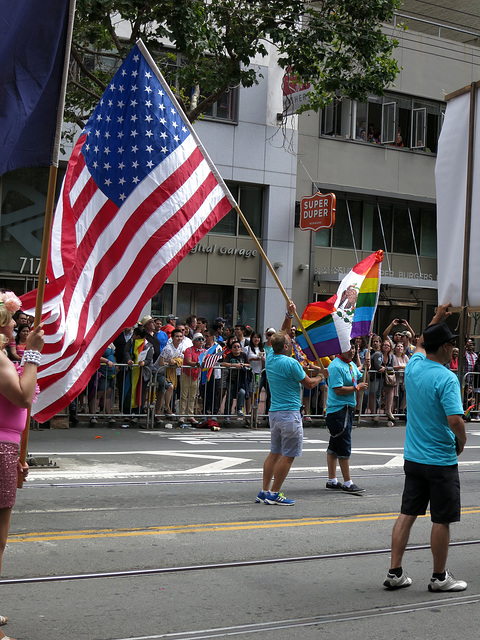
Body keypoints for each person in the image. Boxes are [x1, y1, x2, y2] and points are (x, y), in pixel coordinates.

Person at [383, 304, 467, 592]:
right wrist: (463, 441)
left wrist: (436, 319)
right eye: (451, 345)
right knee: (441, 519)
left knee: (407, 513)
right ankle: (440, 577)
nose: (453, 349)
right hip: (441, 459)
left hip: (415, 457)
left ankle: (395, 572)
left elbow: (420, 342)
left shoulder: (415, 365)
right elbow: (455, 420)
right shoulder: (447, 378)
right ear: (444, 347)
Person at [0, 291, 44, 639]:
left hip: (7, 449)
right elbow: (23, 396)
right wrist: (33, 353)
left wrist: (20, 455)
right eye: (12, 319)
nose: (17, 324)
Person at [256, 308, 324, 506]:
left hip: (275, 414)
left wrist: (288, 315)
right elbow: (310, 384)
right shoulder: (291, 362)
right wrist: (321, 376)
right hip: (290, 414)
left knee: (274, 453)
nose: (290, 342)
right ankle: (275, 493)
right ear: (286, 346)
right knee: (288, 455)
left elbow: (282, 333)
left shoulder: (270, 355)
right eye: (289, 342)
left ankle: (264, 490)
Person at [325, 341, 369, 494]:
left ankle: (332, 480)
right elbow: (338, 390)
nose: (352, 351)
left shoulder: (349, 365)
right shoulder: (336, 366)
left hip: (346, 410)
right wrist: (357, 388)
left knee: (334, 447)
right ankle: (348, 482)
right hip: (338, 411)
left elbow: (360, 376)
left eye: (354, 348)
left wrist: (366, 366)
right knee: (343, 446)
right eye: (349, 348)